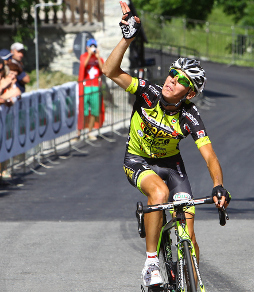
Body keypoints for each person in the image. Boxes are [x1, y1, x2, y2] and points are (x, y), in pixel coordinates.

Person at [102, 1, 231, 288]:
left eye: (181, 80)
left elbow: (209, 156)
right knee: (158, 193)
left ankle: (194, 281)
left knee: (189, 227)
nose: (172, 80)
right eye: (173, 73)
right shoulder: (148, 92)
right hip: (138, 160)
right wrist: (127, 39)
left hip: (171, 166)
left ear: (191, 93)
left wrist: (218, 186)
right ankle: (150, 265)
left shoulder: (189, 116)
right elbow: (110, 70)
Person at [78, 38, 104, 141]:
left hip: (95, 87)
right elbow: (83, 67)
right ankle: (79, 132)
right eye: (91, 46)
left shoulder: (98, 58)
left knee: (94, 110)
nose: (93, 48)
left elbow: (103, 70)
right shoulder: (83, 56)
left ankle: (89, 131)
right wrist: (89, 55)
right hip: (86, 87)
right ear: (87, 47)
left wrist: (98, 57)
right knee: (83, 111)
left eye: (94, 46)